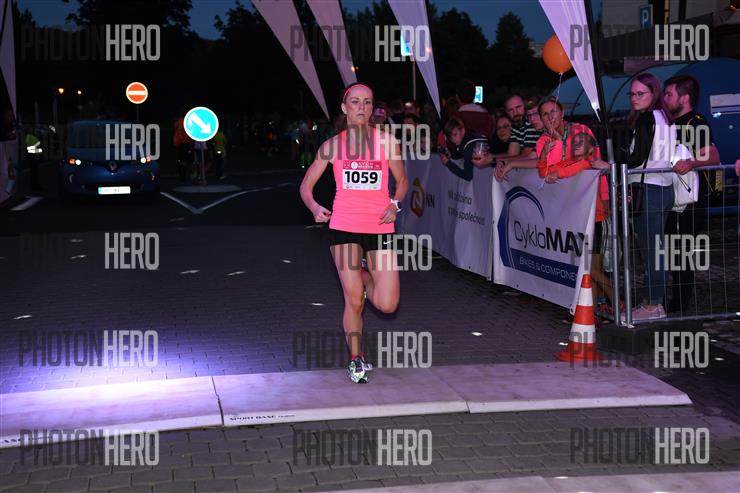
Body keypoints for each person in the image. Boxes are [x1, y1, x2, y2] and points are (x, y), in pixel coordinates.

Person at [299, 82, 408, 384]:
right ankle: (356, 359)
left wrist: (396, 204)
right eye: (356, 102)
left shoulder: (387, 141)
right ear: (344, 108)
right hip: (344, 227)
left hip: (380, 227)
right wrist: (314, 206)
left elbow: (402, 182)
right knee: (354, 300)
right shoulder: (332, 146)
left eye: (368, 102)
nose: (362, 107)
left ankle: (362, 275)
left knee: (387, 303)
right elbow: (306, 185)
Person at [662, 75, 721, 314]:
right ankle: (670, 302)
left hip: (690, 200)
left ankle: (679, 306)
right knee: (670, 252)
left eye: (669, 94)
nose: (665, 98)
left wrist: (691, 163)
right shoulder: (670, 123)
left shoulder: (695, 122)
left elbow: (714, 156)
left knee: (682, 253)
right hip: (673, 198)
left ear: (684, 98)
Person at [538, 132, 613, 320]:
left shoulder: (590, 163)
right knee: (588, 269)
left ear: (591, 148)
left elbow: (571, 170)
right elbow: (544, 171)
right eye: (575, 142)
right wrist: (543, 156)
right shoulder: (568, 162)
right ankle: (591, 314)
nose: (577, 143)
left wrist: (555, 174)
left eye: (582, 141)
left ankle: (619, 304)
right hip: (579, 222)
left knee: (592, 269)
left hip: (596, 221)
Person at [624, 72, 676, 322]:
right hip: (663, 188)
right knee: (655, 251)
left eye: (640, 93)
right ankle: (653, 303)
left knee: (651, 252)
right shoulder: (665, 117)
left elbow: (636, 158)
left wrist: (612, 161)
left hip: (648, 190)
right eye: (632, 94)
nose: (634, 98)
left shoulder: (647, 118)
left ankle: (652, 305)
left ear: (653, 93)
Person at [438, 116, 488, 181]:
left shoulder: (469, 146)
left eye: (455, 134)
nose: (453, 139)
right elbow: (460, 153)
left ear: (463, 130)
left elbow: (467, 176)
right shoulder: (467, 138)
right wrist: (451, 155)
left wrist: (448, 163)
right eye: (450, 137)